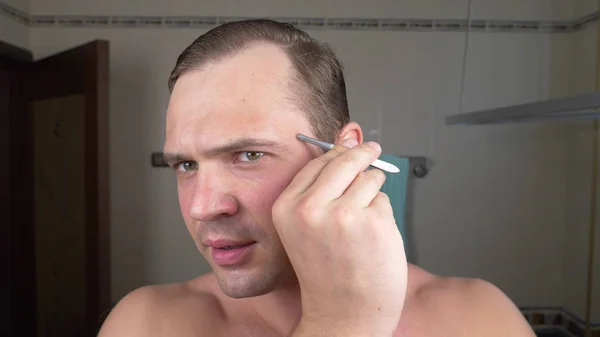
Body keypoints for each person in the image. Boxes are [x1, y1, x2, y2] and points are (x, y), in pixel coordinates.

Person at [98, 19, 536, 336]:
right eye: (186, 165)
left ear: (345, 154)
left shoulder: (478, 318)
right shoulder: (146, 322)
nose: (202, 206)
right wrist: (341, 327)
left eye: (249, 154)